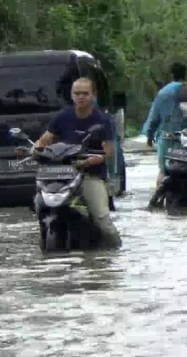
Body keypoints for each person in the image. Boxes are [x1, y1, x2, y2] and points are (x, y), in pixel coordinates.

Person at [33, 77, 121, 246]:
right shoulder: (63, 116)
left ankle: (115, 253)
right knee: (41, 205)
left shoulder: (103, 120)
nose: (81, 97)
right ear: (72, 96)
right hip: (62, 175)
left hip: (90, 175)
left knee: (103, 221)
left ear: (93, 95)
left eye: (85, 94)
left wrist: (90, 161)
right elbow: (45, 139)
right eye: (77, 93)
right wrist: (35, 150)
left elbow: (109, 152)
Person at [146, 62, 187, 187]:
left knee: (163, 172)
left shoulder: (163, 92)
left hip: (167, 139)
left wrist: (149, 136)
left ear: (172, 74)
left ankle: (157, 201)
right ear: (185, 74)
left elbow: (154, 119)